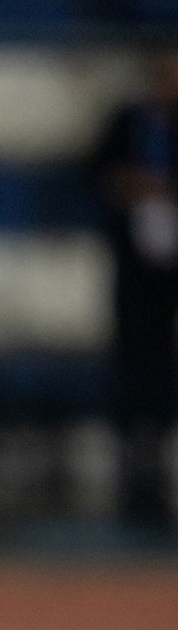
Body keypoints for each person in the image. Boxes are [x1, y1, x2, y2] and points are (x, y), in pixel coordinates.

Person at [94, 47, 178, 532]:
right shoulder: (126, 123)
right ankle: (131, 472)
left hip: (170, 273)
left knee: (164, 371)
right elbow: (98, 175)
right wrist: (131, 186)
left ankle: (161, 469)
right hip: (132, 270)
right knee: (130, 367)